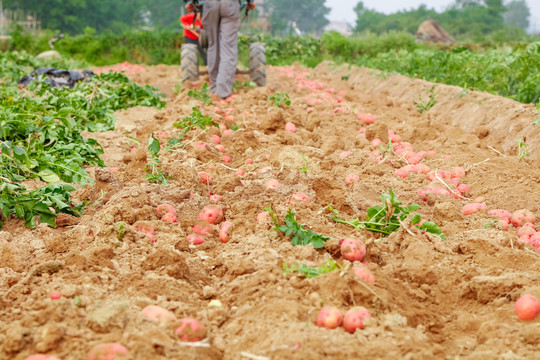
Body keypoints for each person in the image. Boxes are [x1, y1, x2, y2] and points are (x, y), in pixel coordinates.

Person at [184, 0, 255, 99]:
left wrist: (189, 1)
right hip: (230, 5)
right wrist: (250, 2)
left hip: (209, 5)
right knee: (228, 48)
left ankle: (213, 88)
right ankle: (222, 92)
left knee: (212, 46)